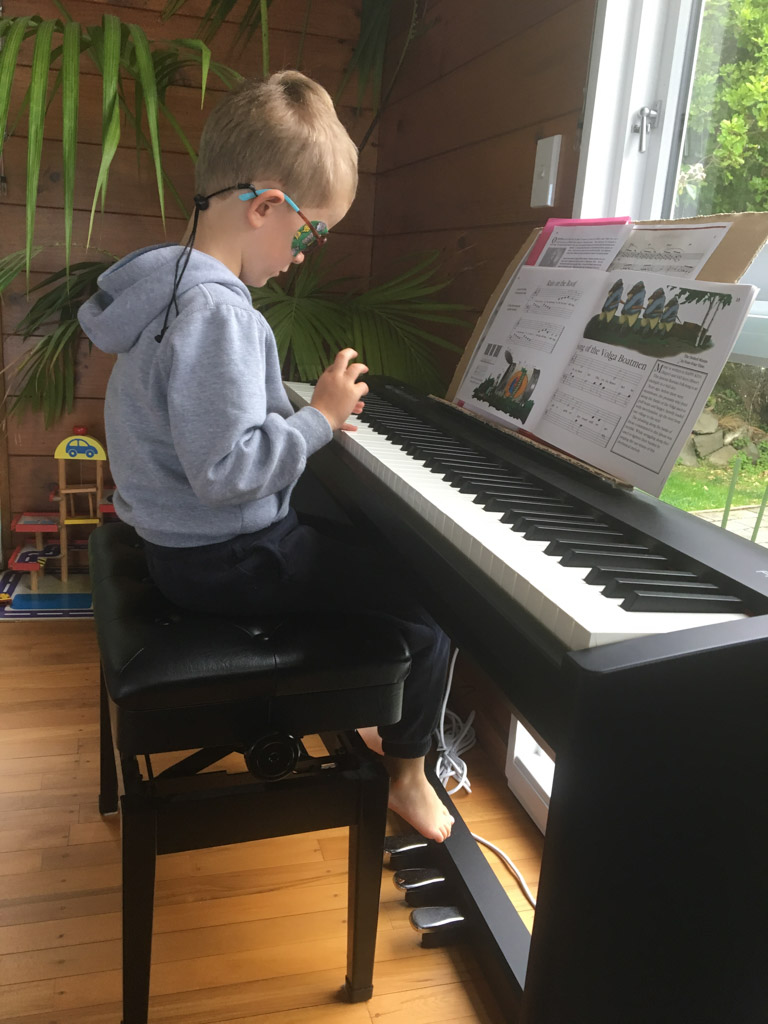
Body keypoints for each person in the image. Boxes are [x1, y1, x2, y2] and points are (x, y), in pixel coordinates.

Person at [78, 71, 453, 843]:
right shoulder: (219, 312)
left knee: (359, 544)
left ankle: (377, 710)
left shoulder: (170, 283)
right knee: (431, 605)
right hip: (228, 560)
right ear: (265, 207)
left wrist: (302, 411)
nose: (303, 257)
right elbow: (227, 472)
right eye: (310, 234)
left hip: (181, 551)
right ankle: (409, 775)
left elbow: (214, 409)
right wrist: (318, 419)